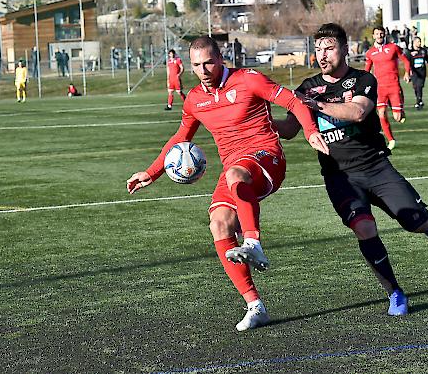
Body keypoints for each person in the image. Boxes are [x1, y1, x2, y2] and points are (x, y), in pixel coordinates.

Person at [126, 36, 329, 331]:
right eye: (196, 64)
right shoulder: (195, 99)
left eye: (208, 62)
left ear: (220, 58)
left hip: (266, 157)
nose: (203, 69)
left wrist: (310, 132)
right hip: (234, 166)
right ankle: (254, 305)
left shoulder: (248, 80)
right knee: (219, 224)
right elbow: (180, 138)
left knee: (235, 174)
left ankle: (253, 242)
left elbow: (293, 101)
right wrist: (151, 172)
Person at [274, 23, 428, 317]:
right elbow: (291, 130)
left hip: (376, 167)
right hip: (339, 175)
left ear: (345, 49)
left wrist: (316, 105)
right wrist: (259, 119)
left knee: (414, 222)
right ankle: (395, 293)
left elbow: (357, 112)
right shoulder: (305, 87)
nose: (322, 54)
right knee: (365, 228)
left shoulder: (362, 79)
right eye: (318, 49)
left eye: (329, 48)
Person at [364, 26, 411, 150]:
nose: (379, 36)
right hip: (380, 89)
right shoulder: (370, 53)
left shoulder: (393, 47)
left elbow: (405, 61)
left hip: (394, 86)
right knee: (381, 114)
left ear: (384, 34)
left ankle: (400, 109)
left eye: (381, 33)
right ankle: (391, 140)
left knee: (397, 118)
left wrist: (407, 72)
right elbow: (367, 71)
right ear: (373, 36)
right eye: (377, 34)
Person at [406, 36, 428, 110]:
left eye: (420, 42)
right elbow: (407, 63)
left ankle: (418, 101)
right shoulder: (409, 52)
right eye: (418, 41)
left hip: (422, 72)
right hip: (414, 72)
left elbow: (427, 59)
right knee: (416, 87)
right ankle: (420, 100)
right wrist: (407, 73)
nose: (419, 43)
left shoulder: (423, 51)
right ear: (414, 42)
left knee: (419, 86)